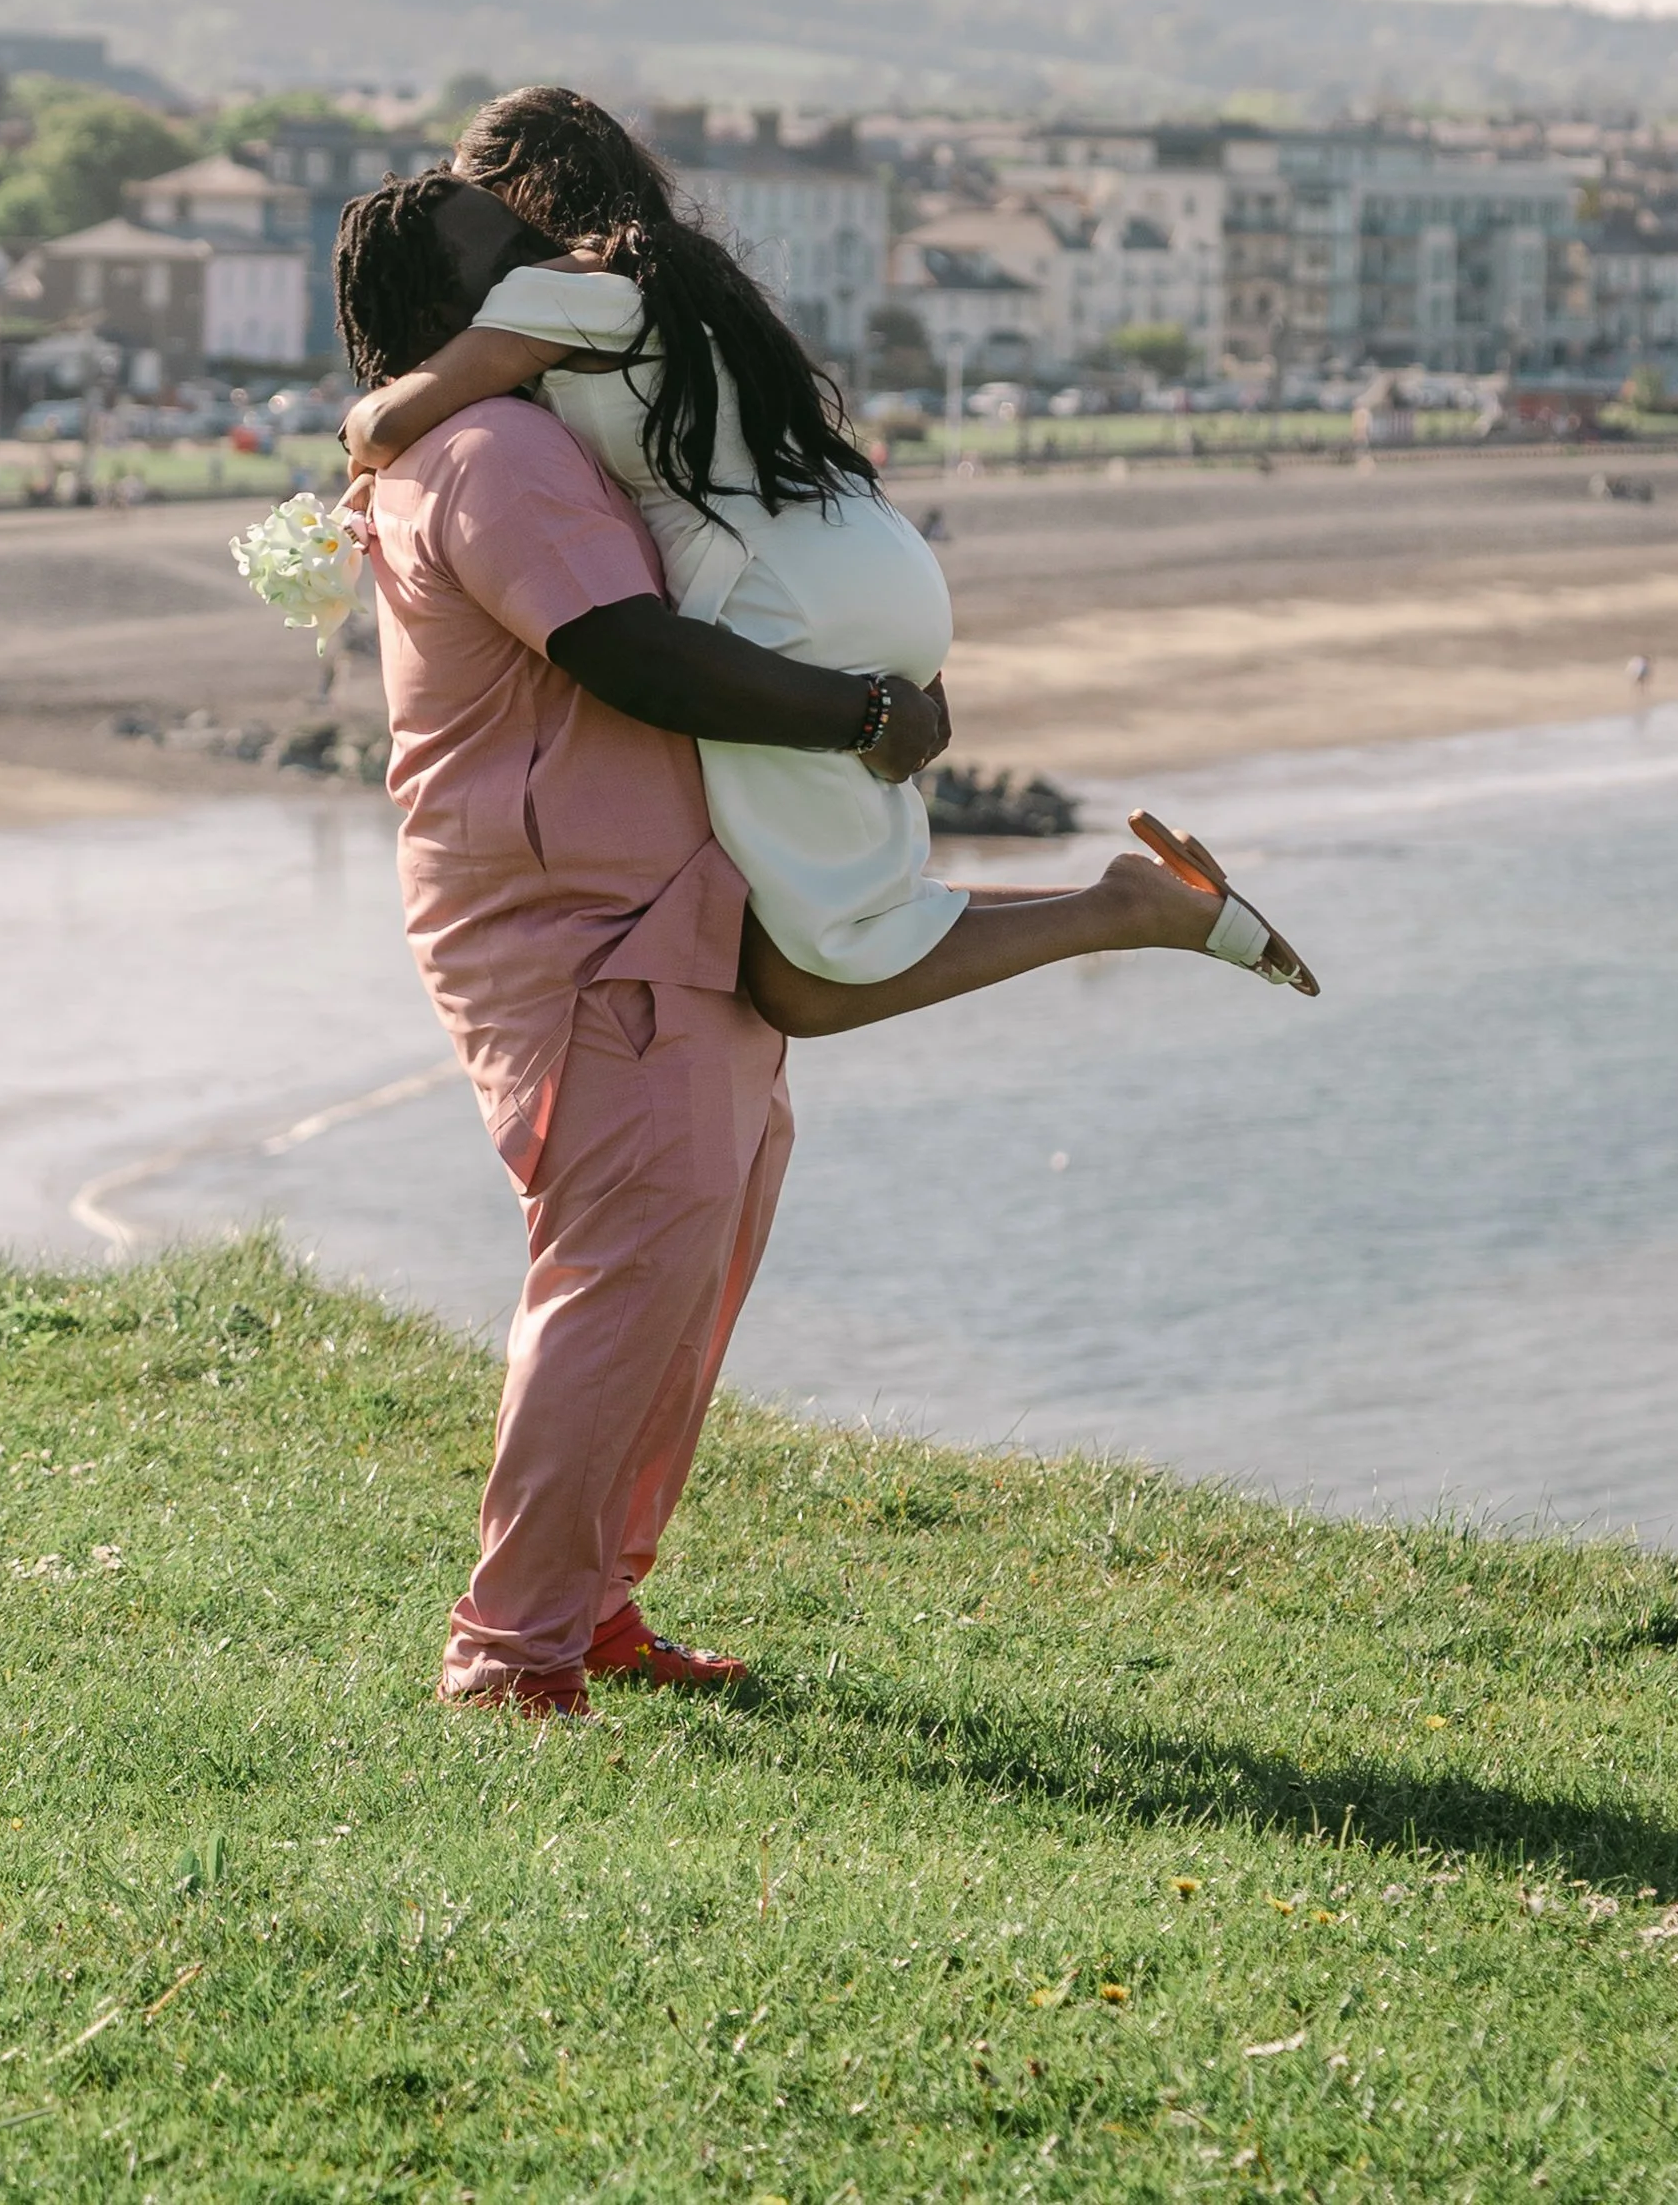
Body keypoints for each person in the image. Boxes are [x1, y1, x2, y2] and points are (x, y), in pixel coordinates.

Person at [333, 165, 1293, 1719]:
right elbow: (624, 650)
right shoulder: (490, 448)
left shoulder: (542, 429)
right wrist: (863, 713)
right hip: (596, 932)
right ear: (446, 314)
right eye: (503, 250)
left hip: (678, 909)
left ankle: (596, 1609)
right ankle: (507, 1654)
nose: (544, 258)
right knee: (618, 1279)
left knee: (687, 1274)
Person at [346, 89, 1313, 998]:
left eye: (476, 199)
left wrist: (361, 441)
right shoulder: (693, 287)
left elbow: (389, 421)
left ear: (521, 193)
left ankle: (1130, 908)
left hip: (775, 591)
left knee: (812, 979)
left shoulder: (557, 292)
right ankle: (1139, 908)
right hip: (874, 561)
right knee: (821, 929)